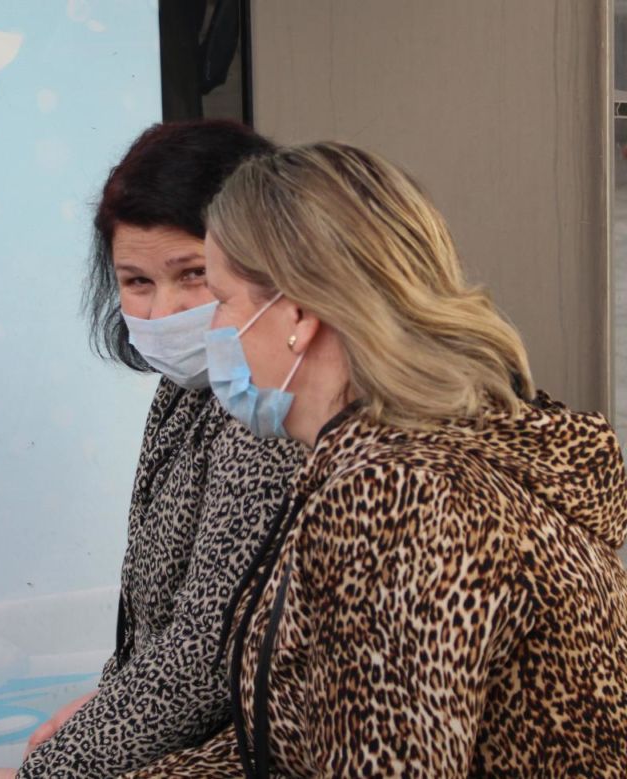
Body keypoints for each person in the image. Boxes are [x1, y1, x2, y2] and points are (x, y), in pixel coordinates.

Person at [123, 142, 627, 778]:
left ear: (297, 314)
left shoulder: (398, 497)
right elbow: (295, 743)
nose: (209, 327)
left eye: (221, 299)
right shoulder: (403, 464)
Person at [0, 122, 306, 779]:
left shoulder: (267, 408)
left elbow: (205, 658)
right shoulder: (186, 387)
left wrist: (53, 771)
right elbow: (154, 627)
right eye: (137, 281)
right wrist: (103, 709)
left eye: (194, 275)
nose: (163, 310)